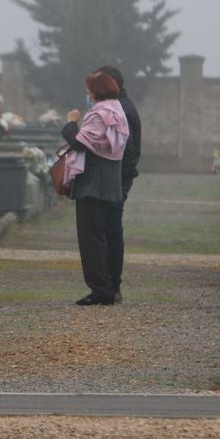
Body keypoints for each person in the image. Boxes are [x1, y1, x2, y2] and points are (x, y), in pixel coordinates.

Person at [62, 71, 130, 306]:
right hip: (109, 182)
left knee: (91, 239)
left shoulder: (100, 113)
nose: (87, 94)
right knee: (102, 236)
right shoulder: (117, 110)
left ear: (97, 92)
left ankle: (100, 288)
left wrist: (71, 122)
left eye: (89, 90)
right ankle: (105, 286)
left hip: (93, 183)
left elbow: (81, 142)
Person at [96, 66, 141, 301]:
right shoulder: (120, 105)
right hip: (119, 177)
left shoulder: (120, 109)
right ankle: (110, 284)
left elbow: (126, 148)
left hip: (117, 178)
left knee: (110, 229)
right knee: (109, 228)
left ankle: (112, 284)